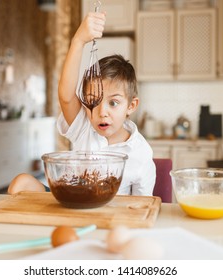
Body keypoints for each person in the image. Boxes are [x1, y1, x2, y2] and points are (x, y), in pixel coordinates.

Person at [8, 11, 155, 196]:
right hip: (71, 203)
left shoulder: (141, 153)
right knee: (20, 183)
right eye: (94, 101)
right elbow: (66, 97)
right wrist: (78, 41)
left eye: (114, 103)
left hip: (110, 215)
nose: (102, 112)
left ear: (131, 106)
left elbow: (142, 205)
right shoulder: (84, 127)